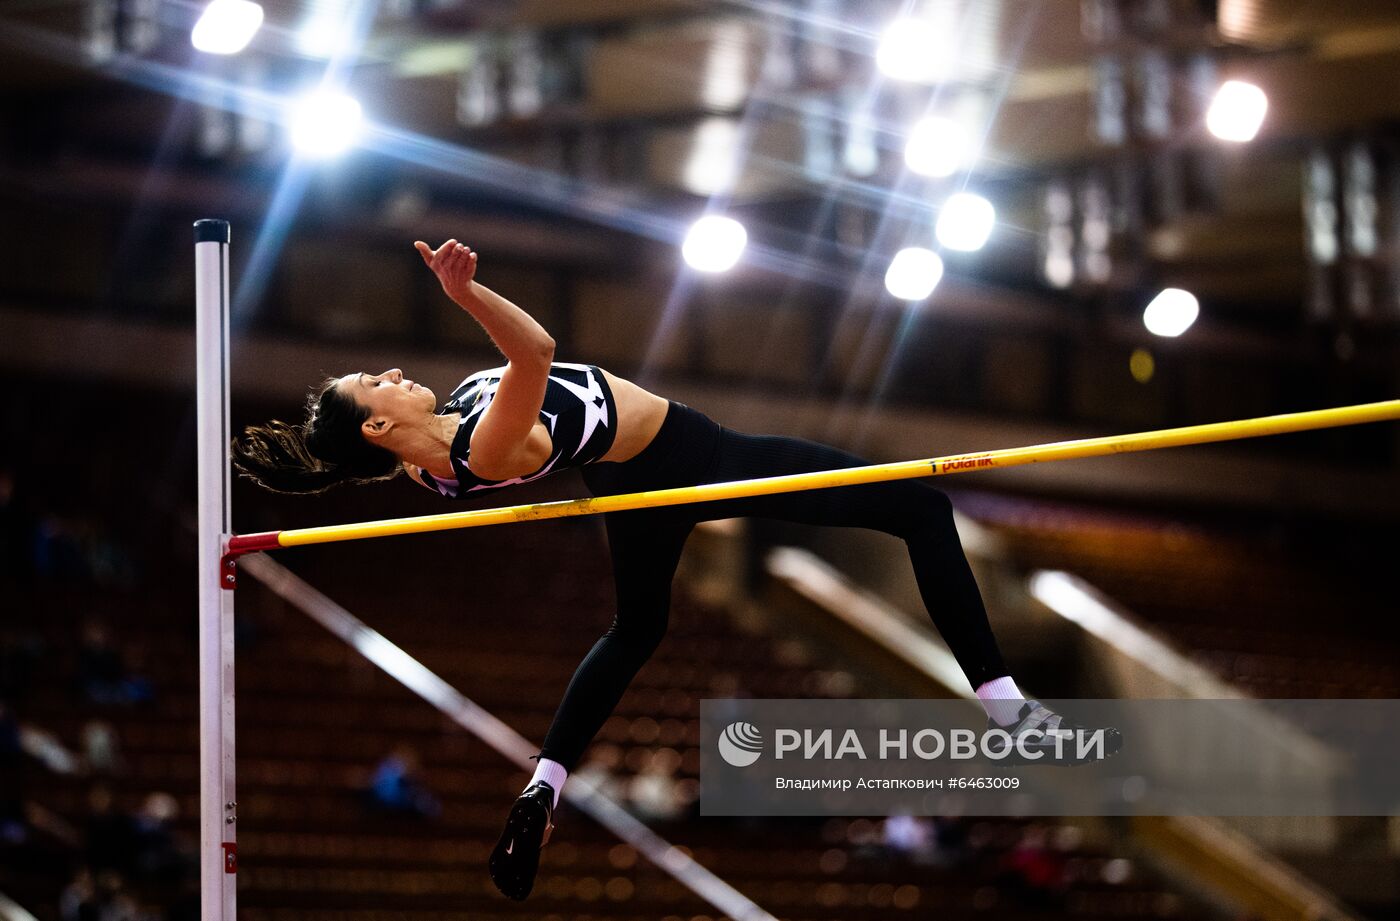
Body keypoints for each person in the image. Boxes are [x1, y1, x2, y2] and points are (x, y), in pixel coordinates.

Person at [232, 238, 1113, 901]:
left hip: (630, 483)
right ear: (379, 428)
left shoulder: (433, 464)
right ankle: (1006, 705)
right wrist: (468, 294)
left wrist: (329, 439)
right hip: (691, 455)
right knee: (919, 505)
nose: (389, 371)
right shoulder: (479, 447)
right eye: (372, 384)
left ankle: (543, 786)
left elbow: (470, 403)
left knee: (638, 626)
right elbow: (535, 353)